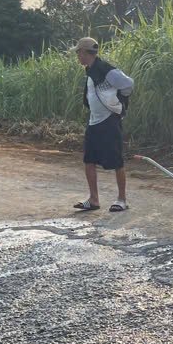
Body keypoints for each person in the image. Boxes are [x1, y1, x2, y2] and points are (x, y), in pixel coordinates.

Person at [73, 36, 134, 213]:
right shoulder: (91, 70)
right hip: (94, 121)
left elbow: (128, 85)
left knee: (116, 161)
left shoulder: (106, 69)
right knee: (89, 160)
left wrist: (118, 104)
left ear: (85, 52)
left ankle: (122, 199)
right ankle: (93, 199)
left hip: (109, 121)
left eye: (79, 52)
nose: (78, 56)